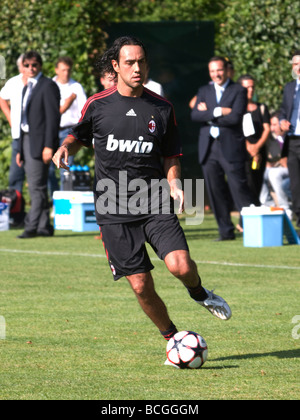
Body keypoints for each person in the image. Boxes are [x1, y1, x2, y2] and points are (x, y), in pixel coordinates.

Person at [52, 36, 232, 361]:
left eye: (142, 62)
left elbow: (172, 156)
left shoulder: (162, 108)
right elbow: (78, 135)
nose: (137, 68)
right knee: (139, 285)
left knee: (180, 265)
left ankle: (200, 292)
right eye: (130, 63)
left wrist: (175, 184)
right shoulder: (98, 104)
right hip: (113, 207)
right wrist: (66, 147)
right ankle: (173, 338)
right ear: (116, 67)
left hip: (153, 201)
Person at [191, 56, 254, 241]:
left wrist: (208, 114)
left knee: (239, 189)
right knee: (215, 190)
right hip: (209, 147)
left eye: (219, 70)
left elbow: (236, 117)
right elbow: (195, 115)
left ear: (226, 70)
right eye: (212, 71)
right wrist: (219, 111)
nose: (216, 74)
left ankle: (250, 229)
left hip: (231, 146)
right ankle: (225, 232)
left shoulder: (238, 90)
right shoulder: (204, 90)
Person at [16, 50, 60, 238]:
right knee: (36, 185)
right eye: (27, 65)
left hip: (41, 143)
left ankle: (31, 226)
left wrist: (49, 145)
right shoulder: (28, 86)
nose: (31, 68)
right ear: (22, 67)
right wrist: (20, 149)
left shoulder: (48, 85)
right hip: (27, 140)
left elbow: (52, 118)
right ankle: (44, 226)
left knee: (36, 186)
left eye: (34, 65)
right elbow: (24, 119)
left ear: (40, 66)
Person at [48, 56, 87, 195]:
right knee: (49, 167)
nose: (66, 73)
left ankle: (65, 202)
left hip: (68, 132)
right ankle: (54, 200)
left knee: (65, 166)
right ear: (56, 70)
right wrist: (68, 102)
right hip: (50, 131)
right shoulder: (49, 85)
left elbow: (84, 111)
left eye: (68, 70)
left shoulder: (76, 87)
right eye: (63, 70)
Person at [237, 75, 271, 206]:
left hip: (260, 153)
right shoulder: (237, 108)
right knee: (247, 184)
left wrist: (257, 148)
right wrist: (250, 148)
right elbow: (237, 130)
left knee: (257, 183)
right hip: (243, 152)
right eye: (247, 87)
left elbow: (266, 129)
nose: (250, 90)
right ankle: (246, 217)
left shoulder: (261, 107)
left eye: (252, 87)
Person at [279, 50, 300, 236]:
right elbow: (283, 111)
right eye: (295, 64)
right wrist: (282, 121)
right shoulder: (289, 88)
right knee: (295, 185)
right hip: (292, 141)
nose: (298, 67)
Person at [0, 54, 27, 194]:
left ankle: (46, 210)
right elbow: (2, 98)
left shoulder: (41, 83)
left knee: (40, 175)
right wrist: (10, 118)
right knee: (15, 175)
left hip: (36, 135)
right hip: (18, 135)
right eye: (25, 65)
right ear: (20, 67)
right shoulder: (13, 82)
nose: (28, 68)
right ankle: (16, 210)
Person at [260, 112, 292, 219]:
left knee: (273, 173)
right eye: (271, 125)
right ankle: (267, 204)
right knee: (265, 171)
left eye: (274, 125)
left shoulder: (292, 137)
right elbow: (273, 160)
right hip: (280, 169)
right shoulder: (272, 141)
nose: (272, 128)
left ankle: (285, 208)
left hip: (291, 169)